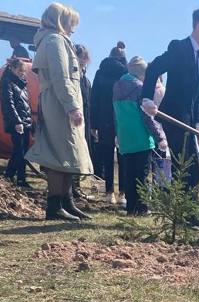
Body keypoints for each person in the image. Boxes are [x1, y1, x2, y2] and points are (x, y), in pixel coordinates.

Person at [25, 2, 93, 221]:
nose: (73, 28)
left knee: (67, 153)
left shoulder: (57, 40)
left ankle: (66, 202)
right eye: (71, 23)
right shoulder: (54, 40)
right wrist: (72, 107)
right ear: (60, 21)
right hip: (59, 103)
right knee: (58, 154)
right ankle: (54, 206)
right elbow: (61, 77)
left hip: (60, 102)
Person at [141, 7, 199, 191]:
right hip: (173, 117)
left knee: (191, 170)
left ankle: (187, 214)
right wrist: (146, 98)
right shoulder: (178, 48)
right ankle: (187, 216)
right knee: (185, 167)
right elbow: (153, 69)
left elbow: (197, 97)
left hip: (189, 122)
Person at [113, 57, 167, 214]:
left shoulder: (117, 86)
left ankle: (131, 207)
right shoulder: (140, 88)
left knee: (129, 173)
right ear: (142, 74)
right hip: (141, 137)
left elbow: (115, 114)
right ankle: (142, 208)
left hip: (125, 137)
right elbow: (146, 117)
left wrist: (117, 133)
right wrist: (159, 137)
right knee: (142, 174)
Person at [90, 41, 127, 205]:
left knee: (106, 155)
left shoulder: (100, 72)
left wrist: (93, 124)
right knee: (123, 155)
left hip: (104, 118)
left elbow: (94, 98)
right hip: (121, 117)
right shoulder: (125, 73)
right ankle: (123, 193)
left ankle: (109, 192)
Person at [0, 57, 32, 188]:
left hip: (25, 122)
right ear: (12, 69)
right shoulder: (7, 82)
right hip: (17, 123)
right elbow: (9, 103)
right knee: (19, 151)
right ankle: (15, 178)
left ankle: (12, 177)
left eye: (24, 71)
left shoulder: (21, 84)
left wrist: (29, 122)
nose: (22, 73)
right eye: (20, 70)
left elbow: (25, 105)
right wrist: (17, 121)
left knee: (22, 152)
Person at [72, 43, 94, 201]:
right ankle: (71, 187)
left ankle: (76, 186)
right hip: (74, 119)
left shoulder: (85, 79)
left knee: (80, 152)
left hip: (84, 119)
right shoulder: (74, 76)